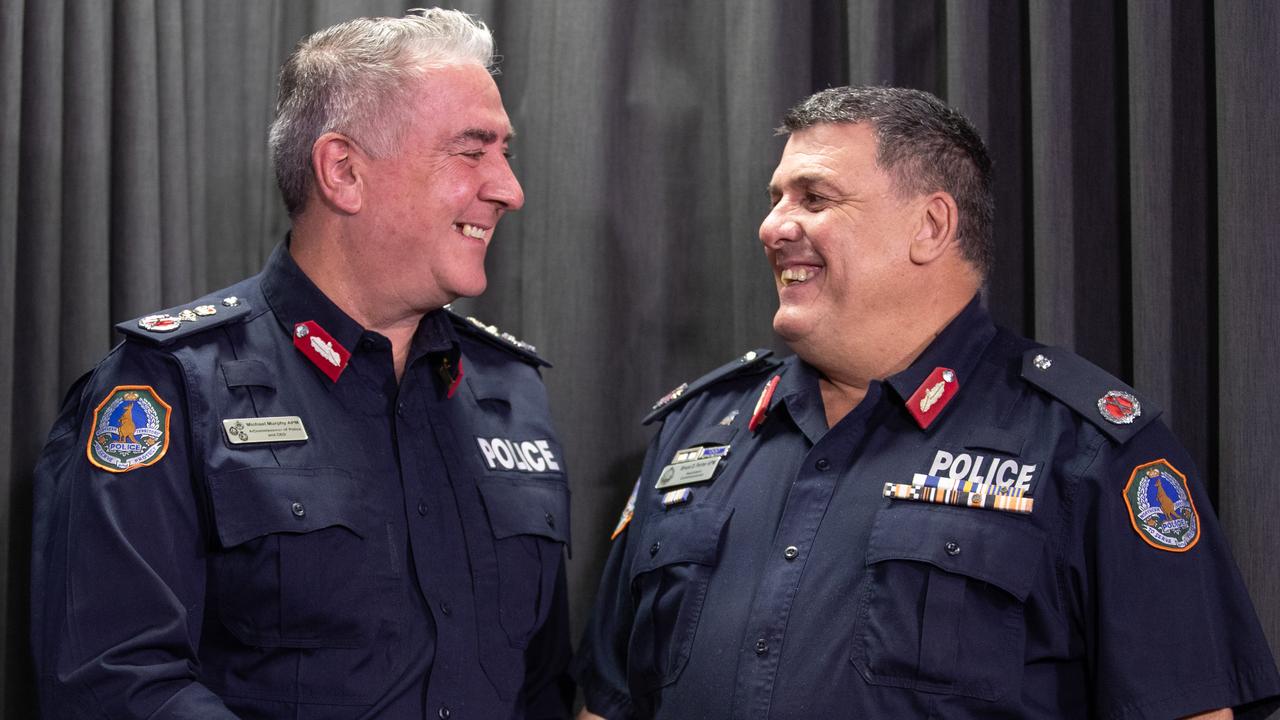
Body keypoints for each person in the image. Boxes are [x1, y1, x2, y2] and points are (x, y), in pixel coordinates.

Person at [572, 86, 1280, 719]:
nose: (774, 227)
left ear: (931, 227)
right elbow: (611, 702)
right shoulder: (696, 432)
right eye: (776, 199)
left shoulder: (1084, 447)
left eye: (814, 198)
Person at [30, 9, 572, 719]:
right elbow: (114, 684)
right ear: (343, 171)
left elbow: (542, 687)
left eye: (504, 151)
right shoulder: (169, 388)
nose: (509, 188)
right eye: (472, 152)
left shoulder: (512, 393)